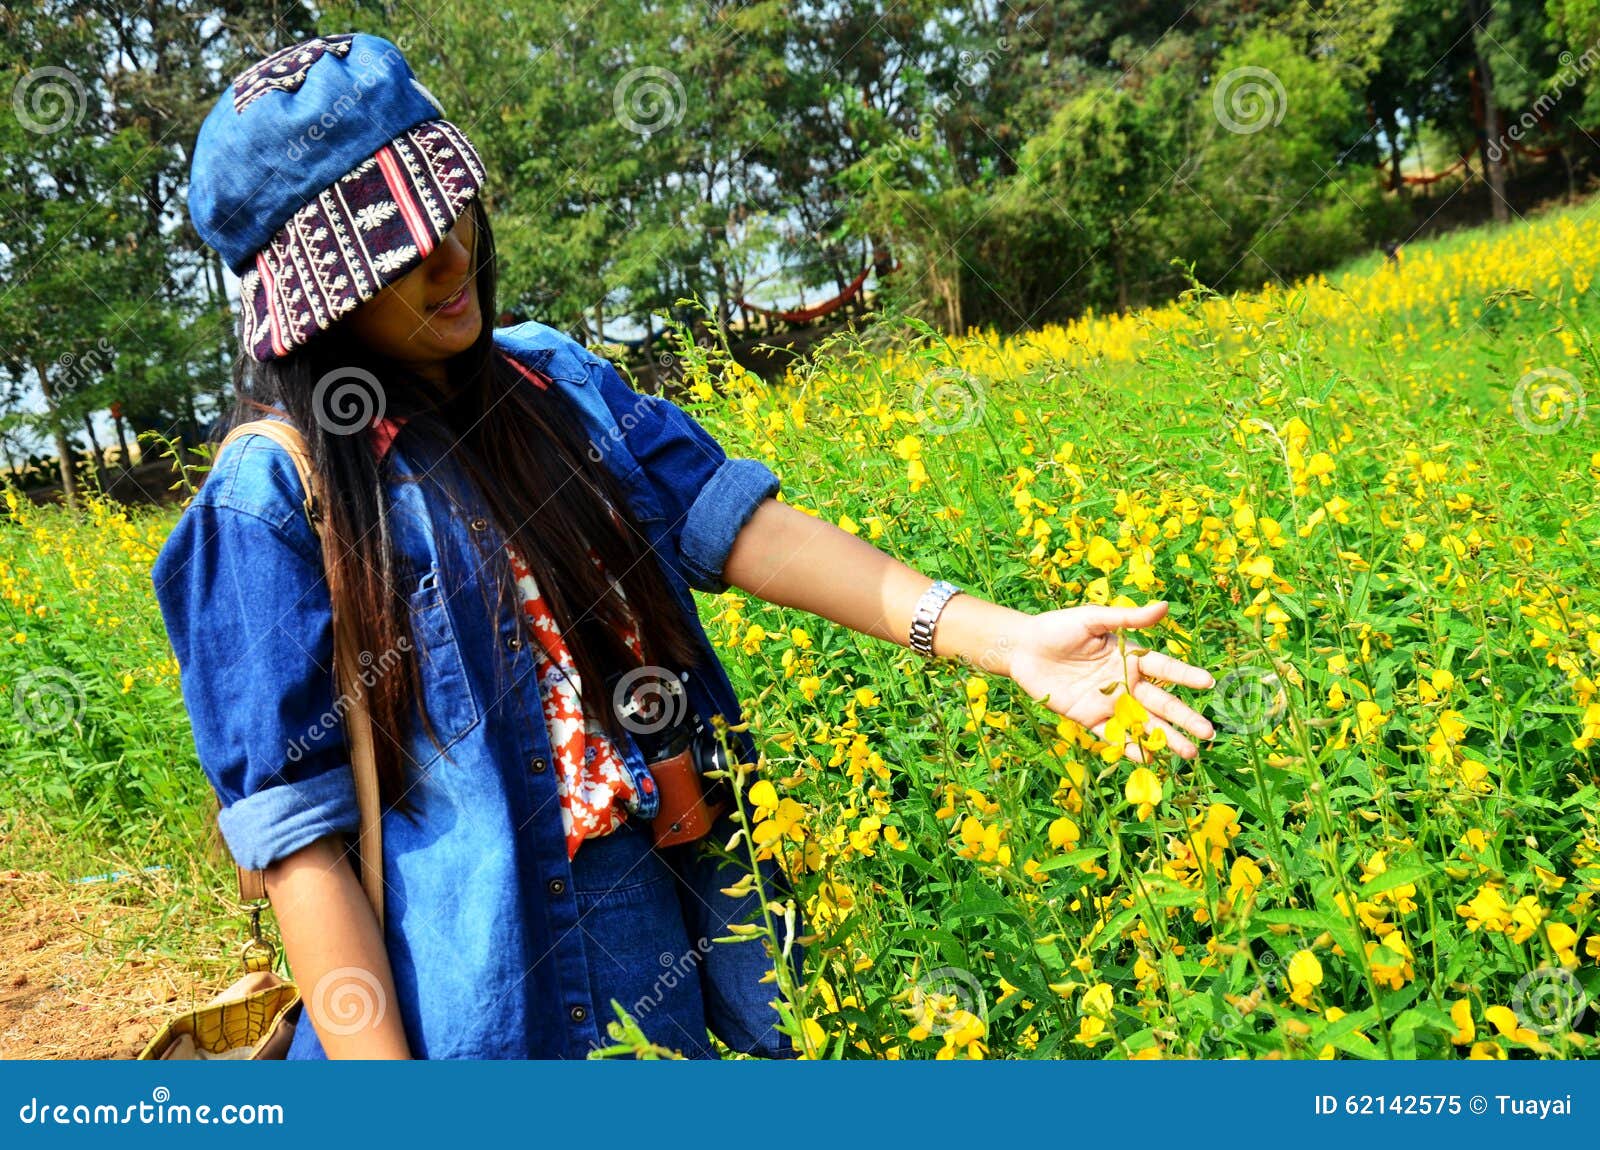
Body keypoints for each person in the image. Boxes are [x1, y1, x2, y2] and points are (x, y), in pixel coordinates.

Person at [152, 32, 1218, 1060]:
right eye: (390, 247)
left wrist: (1009, 641)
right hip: (466, 997)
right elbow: (300, 845)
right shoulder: (276, 496)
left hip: (650, 916)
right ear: (315, 305)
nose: (445, 252)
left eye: (448, 209)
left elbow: (737, 524)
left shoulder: (550, 383)